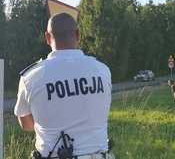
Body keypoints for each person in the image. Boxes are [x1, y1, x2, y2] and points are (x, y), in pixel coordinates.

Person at [14, 13, 114, 159]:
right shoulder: (102, 70)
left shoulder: (31, 77)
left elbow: (26, 125)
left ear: (47, 38)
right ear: (78, 35)